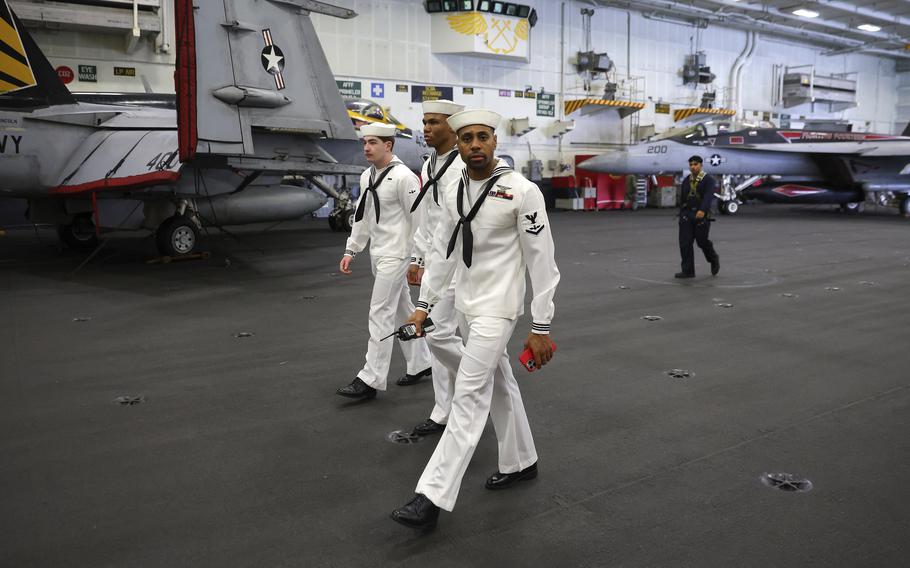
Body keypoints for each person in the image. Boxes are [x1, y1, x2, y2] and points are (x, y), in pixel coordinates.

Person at [389, 109, 560, 530]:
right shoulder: (454, 192)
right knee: (500, 382)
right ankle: (522, 462)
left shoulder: (522, 192)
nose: (476, 145)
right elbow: (444, 253)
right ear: (460, 144)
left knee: (469, 397)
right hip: (466, 305)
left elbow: (543, 264)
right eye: (467, 139)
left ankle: (430, 496)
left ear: (495, 142)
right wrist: (425, 304)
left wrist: (541, 326)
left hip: (497, 310)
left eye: (483, 137)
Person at [336, 122, 432, 400]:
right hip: (378, 253)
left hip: (398, 254)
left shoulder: (404, 177)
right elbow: (362, 215)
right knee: (404, 309)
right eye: (365, 142)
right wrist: (351, 249)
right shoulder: (367, 176)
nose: (366, 147)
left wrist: (418, 259)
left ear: (388, 145)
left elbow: (420, 221)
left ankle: (371, 378)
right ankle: (421, 363)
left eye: (373, 142)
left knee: (380, 313)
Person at [400, 99, 467, 438]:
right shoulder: (428, 167)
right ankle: (444, 409)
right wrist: (417, 259)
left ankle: (474, 386)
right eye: (424, 122)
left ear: (453, 127)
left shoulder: (464, 168)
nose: (425, 128)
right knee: (439, 335)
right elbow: (425, 220)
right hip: (437, 264)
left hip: (464, 266)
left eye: (434, 122)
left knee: (441, 335)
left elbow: (457, 226)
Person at [676, 155, 720, 279]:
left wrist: (702, 210)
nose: (693, 167)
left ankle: (713, 258)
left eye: (695, 164)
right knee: (685, 243)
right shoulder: (686, 180)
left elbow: (708, 196)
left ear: (701, 165)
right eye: (691, 164)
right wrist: (682, 213)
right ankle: (688, 271)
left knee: (702, 242)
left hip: (701, 215)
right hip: (687, 215)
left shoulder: (708, 180)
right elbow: (683, 198)